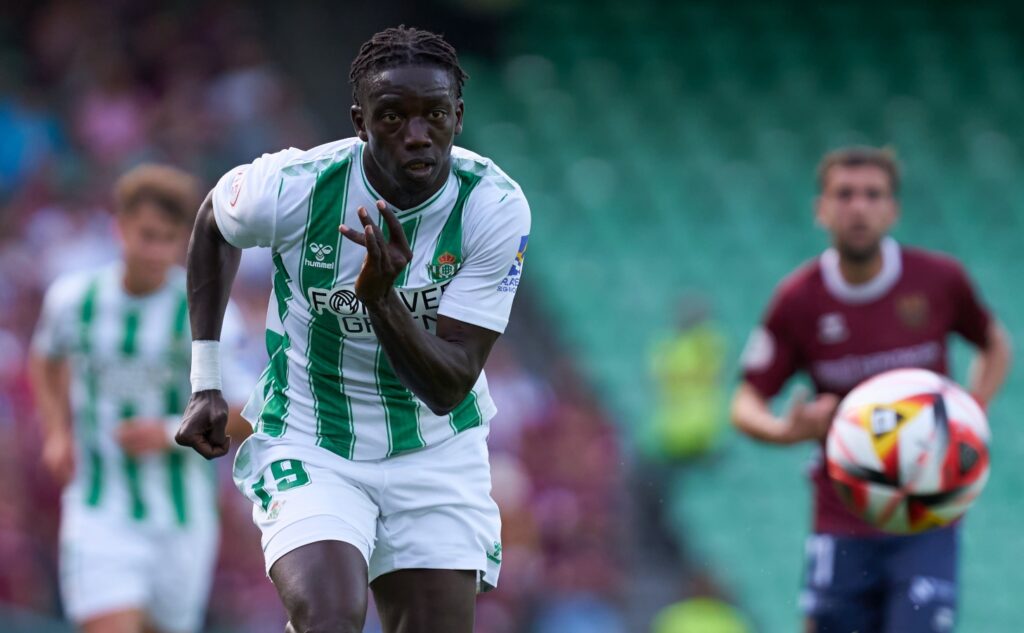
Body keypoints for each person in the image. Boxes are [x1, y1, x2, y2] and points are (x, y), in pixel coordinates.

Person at [176, 26, 531, 633]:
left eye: (435, 116)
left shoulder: (492, 207)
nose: (417, 135)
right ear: (359, 121)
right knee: (330, 617)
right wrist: (206, 380)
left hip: (435, 449)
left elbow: (449, 385)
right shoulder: (295, 186)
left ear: (459, 117)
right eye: (392, 117)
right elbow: (214, 220)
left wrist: (382, 300)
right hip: (312, 437)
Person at [730, 147, 1011, 633]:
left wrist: (972, 412)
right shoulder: (798, 300)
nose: (858, 206)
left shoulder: (940, 280)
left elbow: (995, 344)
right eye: (844, 195)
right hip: (843, 512)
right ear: (821, 209)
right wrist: (784, 430)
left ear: (893, 210)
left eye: (872, 195)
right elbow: (745, 401)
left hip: (925, 513)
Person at [29, 164, 251, 633]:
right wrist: (56, 433)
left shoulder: (207, 316)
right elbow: (45, 359)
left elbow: (250, 413)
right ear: (120, 227)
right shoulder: (74, 300)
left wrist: (173, 431)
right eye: (146, 235)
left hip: (181, 520)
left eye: (169, 239)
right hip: (98, 507)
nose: (156, 251)